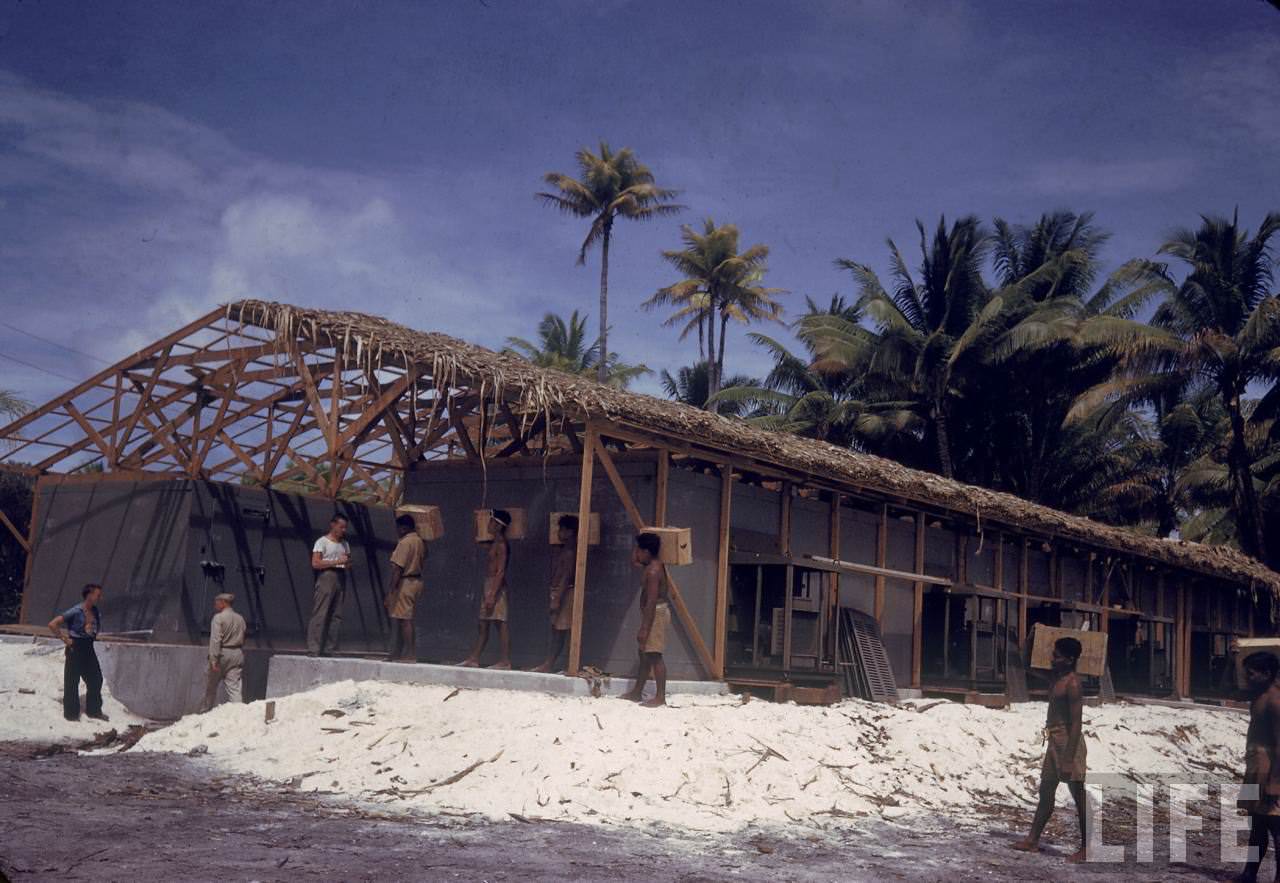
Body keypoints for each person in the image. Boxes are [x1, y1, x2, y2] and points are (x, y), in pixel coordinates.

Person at [1013, 636, 1088, 862]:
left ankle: (1088, 848)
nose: (1052, 659)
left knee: (1079, 797)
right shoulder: (1056, 678)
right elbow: (1026, 665)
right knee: (1046, 792)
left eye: (1057, 656)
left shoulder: (1072, 684)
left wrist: (1068, 759)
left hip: (1068, 743)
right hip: (1054, 740)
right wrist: (1030, 639)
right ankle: (1032, 840)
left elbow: (1076, 724)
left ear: (1070, 659)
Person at [1238, 651, 1280, 883]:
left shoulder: (1275, 701)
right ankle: (1249, 874)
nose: (1248, 678)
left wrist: (1275, 783)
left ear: (1267, 673)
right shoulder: (1258, 696)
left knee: (1276, 828)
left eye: (1252, 674)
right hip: (1255, 770)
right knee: (1256, 827)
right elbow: (1228, 688)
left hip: (1270, 773)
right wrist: (1232, 660)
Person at [619, 532, 669, 708]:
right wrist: (637, 548)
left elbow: (651, 601)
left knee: (654, 655)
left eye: (639, 550)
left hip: (655, 614)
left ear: (646, 552)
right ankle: (637, 691)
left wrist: (644, 628)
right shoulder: (650, 565)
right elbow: (634, 561)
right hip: (651, 613)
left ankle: (660, 696)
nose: (637, 554)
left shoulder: (654, 571)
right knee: (644, 654)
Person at [48, 583, 107, 722]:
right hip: (75, 647)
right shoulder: (75, 611)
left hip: (88, 647)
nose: (100, 597)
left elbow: (92, 628)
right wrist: (65, 639)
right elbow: (52, 624)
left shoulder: (95, 611)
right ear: (89, 595)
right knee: (72, 681)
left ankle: (94, 711)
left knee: (96, 679)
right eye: (98, 595)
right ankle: (71, 714)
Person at [460, 510, 511, 669]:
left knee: (500, 623)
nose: (488, 525)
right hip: (488, 584)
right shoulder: (493, 543)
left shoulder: (501, 545)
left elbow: (500, 571)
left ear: (498, 526)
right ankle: (474, 658)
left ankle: (505, 660)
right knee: (483, 623)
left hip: (495, 586)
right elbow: (478, 542)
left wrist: (492, 594)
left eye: (491, 522)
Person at [533, 515, 578, 673]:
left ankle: (552, 664)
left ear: (570, 532)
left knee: (561, 630)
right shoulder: (564, 550)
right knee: (557, 629)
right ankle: (550, 663)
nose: (559, 532)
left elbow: (566, 576)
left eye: (562, 529)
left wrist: (557, 598)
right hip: (559, 591)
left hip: (565, 593)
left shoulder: (570, 552)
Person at [308, 514, 351, 657]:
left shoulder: (345, 544)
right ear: (333, 525)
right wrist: (336, 561)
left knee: (336, 614)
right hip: (326, 576)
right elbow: (316, 563)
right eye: (341, 527)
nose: (343, 530)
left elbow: (347, 562)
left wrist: (347, 563)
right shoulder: (322, 542)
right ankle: (314, 648)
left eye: (345, 528)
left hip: (340, 576)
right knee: (321, 612)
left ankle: (330, 648)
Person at [385, 514, 426, 662]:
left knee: (405, 619)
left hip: (405, 582)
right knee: (403, 617)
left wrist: (391, 591)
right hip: (417, 581)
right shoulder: (420, 541)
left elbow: (398, 568)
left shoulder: (405, 542)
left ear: (403, 528)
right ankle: (399, 651)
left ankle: (410, 653)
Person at [201, 592, 247, 712]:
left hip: (222, 653)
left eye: (217, 602)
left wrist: (213, 659)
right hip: (237, 653)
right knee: (234, 688)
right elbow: (243, 636)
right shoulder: (240, 618)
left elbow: (216, 640)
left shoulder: (218, 618)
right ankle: (239, 713)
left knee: (211, 687)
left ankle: (205, 712)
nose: (215, 604)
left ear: (224, 603)